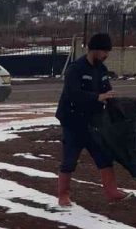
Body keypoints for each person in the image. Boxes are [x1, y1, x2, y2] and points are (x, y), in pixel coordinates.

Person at [55, 32, 129, 206]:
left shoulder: (101, 70)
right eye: (104, 51)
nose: (106, 55)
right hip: (72, 122)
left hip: (93, 122)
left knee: (104, 155)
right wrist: (97, 97)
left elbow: (106, 90)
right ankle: (63, 195)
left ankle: (112, 192)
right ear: (94, 50)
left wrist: (111, 99)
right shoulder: (75, 69)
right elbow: (73, 94)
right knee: (70, 159)